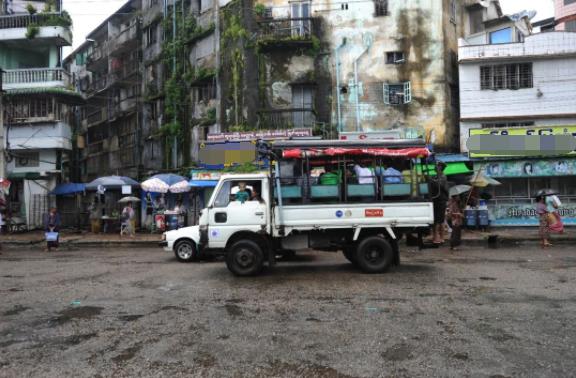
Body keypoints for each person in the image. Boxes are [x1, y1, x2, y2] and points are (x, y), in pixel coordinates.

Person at [429, 162, 449, 244]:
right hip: (435, 200)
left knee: (440, 220)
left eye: (437, 166)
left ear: (440, 167)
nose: (435, 167)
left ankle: (441, 238)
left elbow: (439, 185)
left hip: (441, 200)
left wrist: (431, 180)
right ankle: (435, 237)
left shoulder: (443, 177)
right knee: (435, 220)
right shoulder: (435, 176)